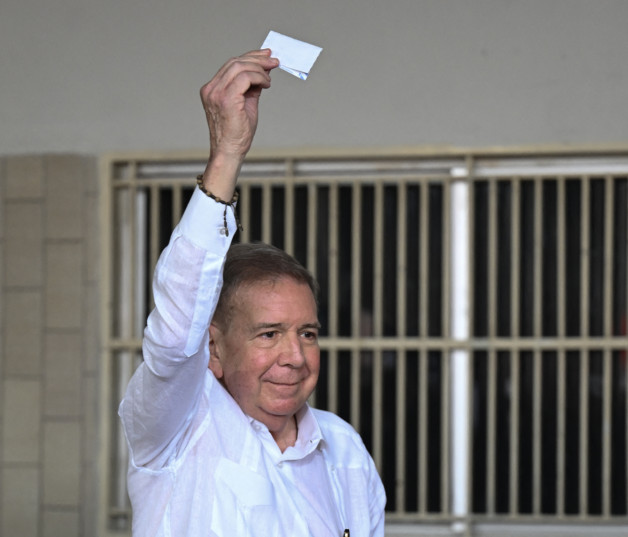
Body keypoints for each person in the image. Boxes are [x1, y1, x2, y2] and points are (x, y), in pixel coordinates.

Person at [119, 48, 386, 536]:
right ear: (214, 349)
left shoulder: (343, 450)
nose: (295, 357)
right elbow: (176, 335)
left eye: (308, 333)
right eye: (268, 334)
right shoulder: (179, 430)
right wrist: (227, 154)